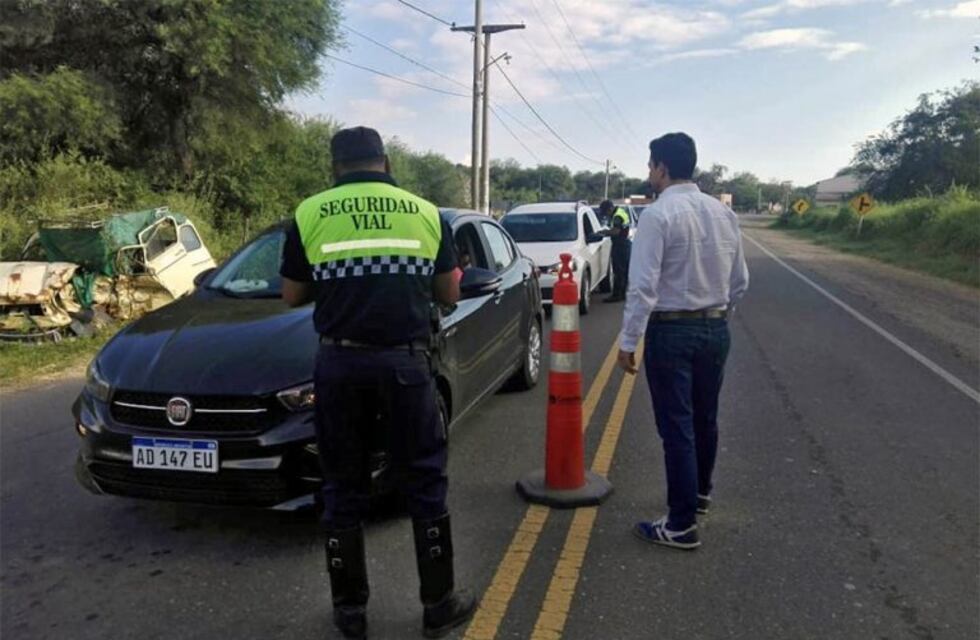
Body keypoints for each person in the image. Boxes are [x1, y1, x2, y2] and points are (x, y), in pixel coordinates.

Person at [280, 126, 476, 638]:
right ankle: (438, 604)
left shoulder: (310, 213)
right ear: (386, 163)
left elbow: (292, 294)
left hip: (339, 365)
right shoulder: (425, 213)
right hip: (406, 364)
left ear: (335, 167)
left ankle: (350, 613)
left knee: (342, 484)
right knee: (425, 480)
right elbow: (449, 293)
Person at [617, 132, 749, 550]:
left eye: (650, 165)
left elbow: (643, 287)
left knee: (676, 426)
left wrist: (628, 341)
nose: (649, 173)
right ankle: (700, 495)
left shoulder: (657, 216)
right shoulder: (723, 214)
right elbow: (740, 281)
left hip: (672, 330)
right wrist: (718, 317)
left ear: (661, 167)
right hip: (716, 328)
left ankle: (680, 524)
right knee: (705, 418)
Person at [597, 199, 632, 303]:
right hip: (625, 244)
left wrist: (604, 232)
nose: (606, 215)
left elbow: (616, 231)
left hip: (620, 245)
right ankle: (623, 294)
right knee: (624, 271)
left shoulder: (617, 216)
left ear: (610, 209)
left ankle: (617, 295)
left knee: (618, 271)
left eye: (606, 212)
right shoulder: (621, 212)